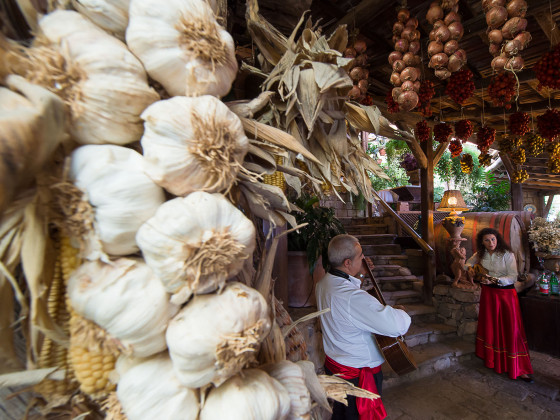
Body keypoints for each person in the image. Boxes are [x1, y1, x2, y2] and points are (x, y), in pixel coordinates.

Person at [316, 234, 411, 419]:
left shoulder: (323, 283)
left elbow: (348, 305)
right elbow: (396, 325)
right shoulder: (353, 298)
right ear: (347, 263)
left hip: (336, 366)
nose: (364, 258)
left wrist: (359, 274)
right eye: (360, 256)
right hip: (358, 375)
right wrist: (400, 312)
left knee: (341, 413)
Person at [465, 227, 534, 383]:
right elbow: (468, 263)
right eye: (487, 240)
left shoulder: (507, 254)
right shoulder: (480, 254)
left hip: (505, 295)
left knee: (511, 328)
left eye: (493, 239)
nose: (491, 243)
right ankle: (493, 360)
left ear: (498, 239)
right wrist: (470, 268)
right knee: (491, 326)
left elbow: (513, 276)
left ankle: (519, 367)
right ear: (482, 242)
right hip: (488, 294)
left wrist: (495, 280)